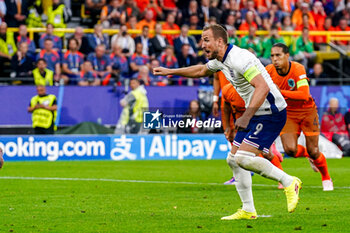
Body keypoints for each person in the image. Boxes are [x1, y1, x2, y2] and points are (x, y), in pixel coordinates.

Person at [153, 24, 302, 219]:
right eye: (202, 40)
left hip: (270, 112)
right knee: (233, 160)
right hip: (256, 112)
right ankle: (248, 209)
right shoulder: (220, 59)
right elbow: (201, 70)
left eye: (206, 40)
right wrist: (170, 71)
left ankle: (289, 181)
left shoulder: (240, 59)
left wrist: (246, 116)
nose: (202, 44)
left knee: (242, 158)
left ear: (220, 42)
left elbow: (263, 87)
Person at [267, 43, 333, 191]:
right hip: (288, 114)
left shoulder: (298, 69)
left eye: (278, 55)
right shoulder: (269, 71)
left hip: (307, 112)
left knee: (314, 151)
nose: (275, 59)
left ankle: (326, 177)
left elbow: (304, 94)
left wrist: (280, 92)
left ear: (287, 56)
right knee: (290, 150)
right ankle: (307, 156)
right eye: (272, 56)